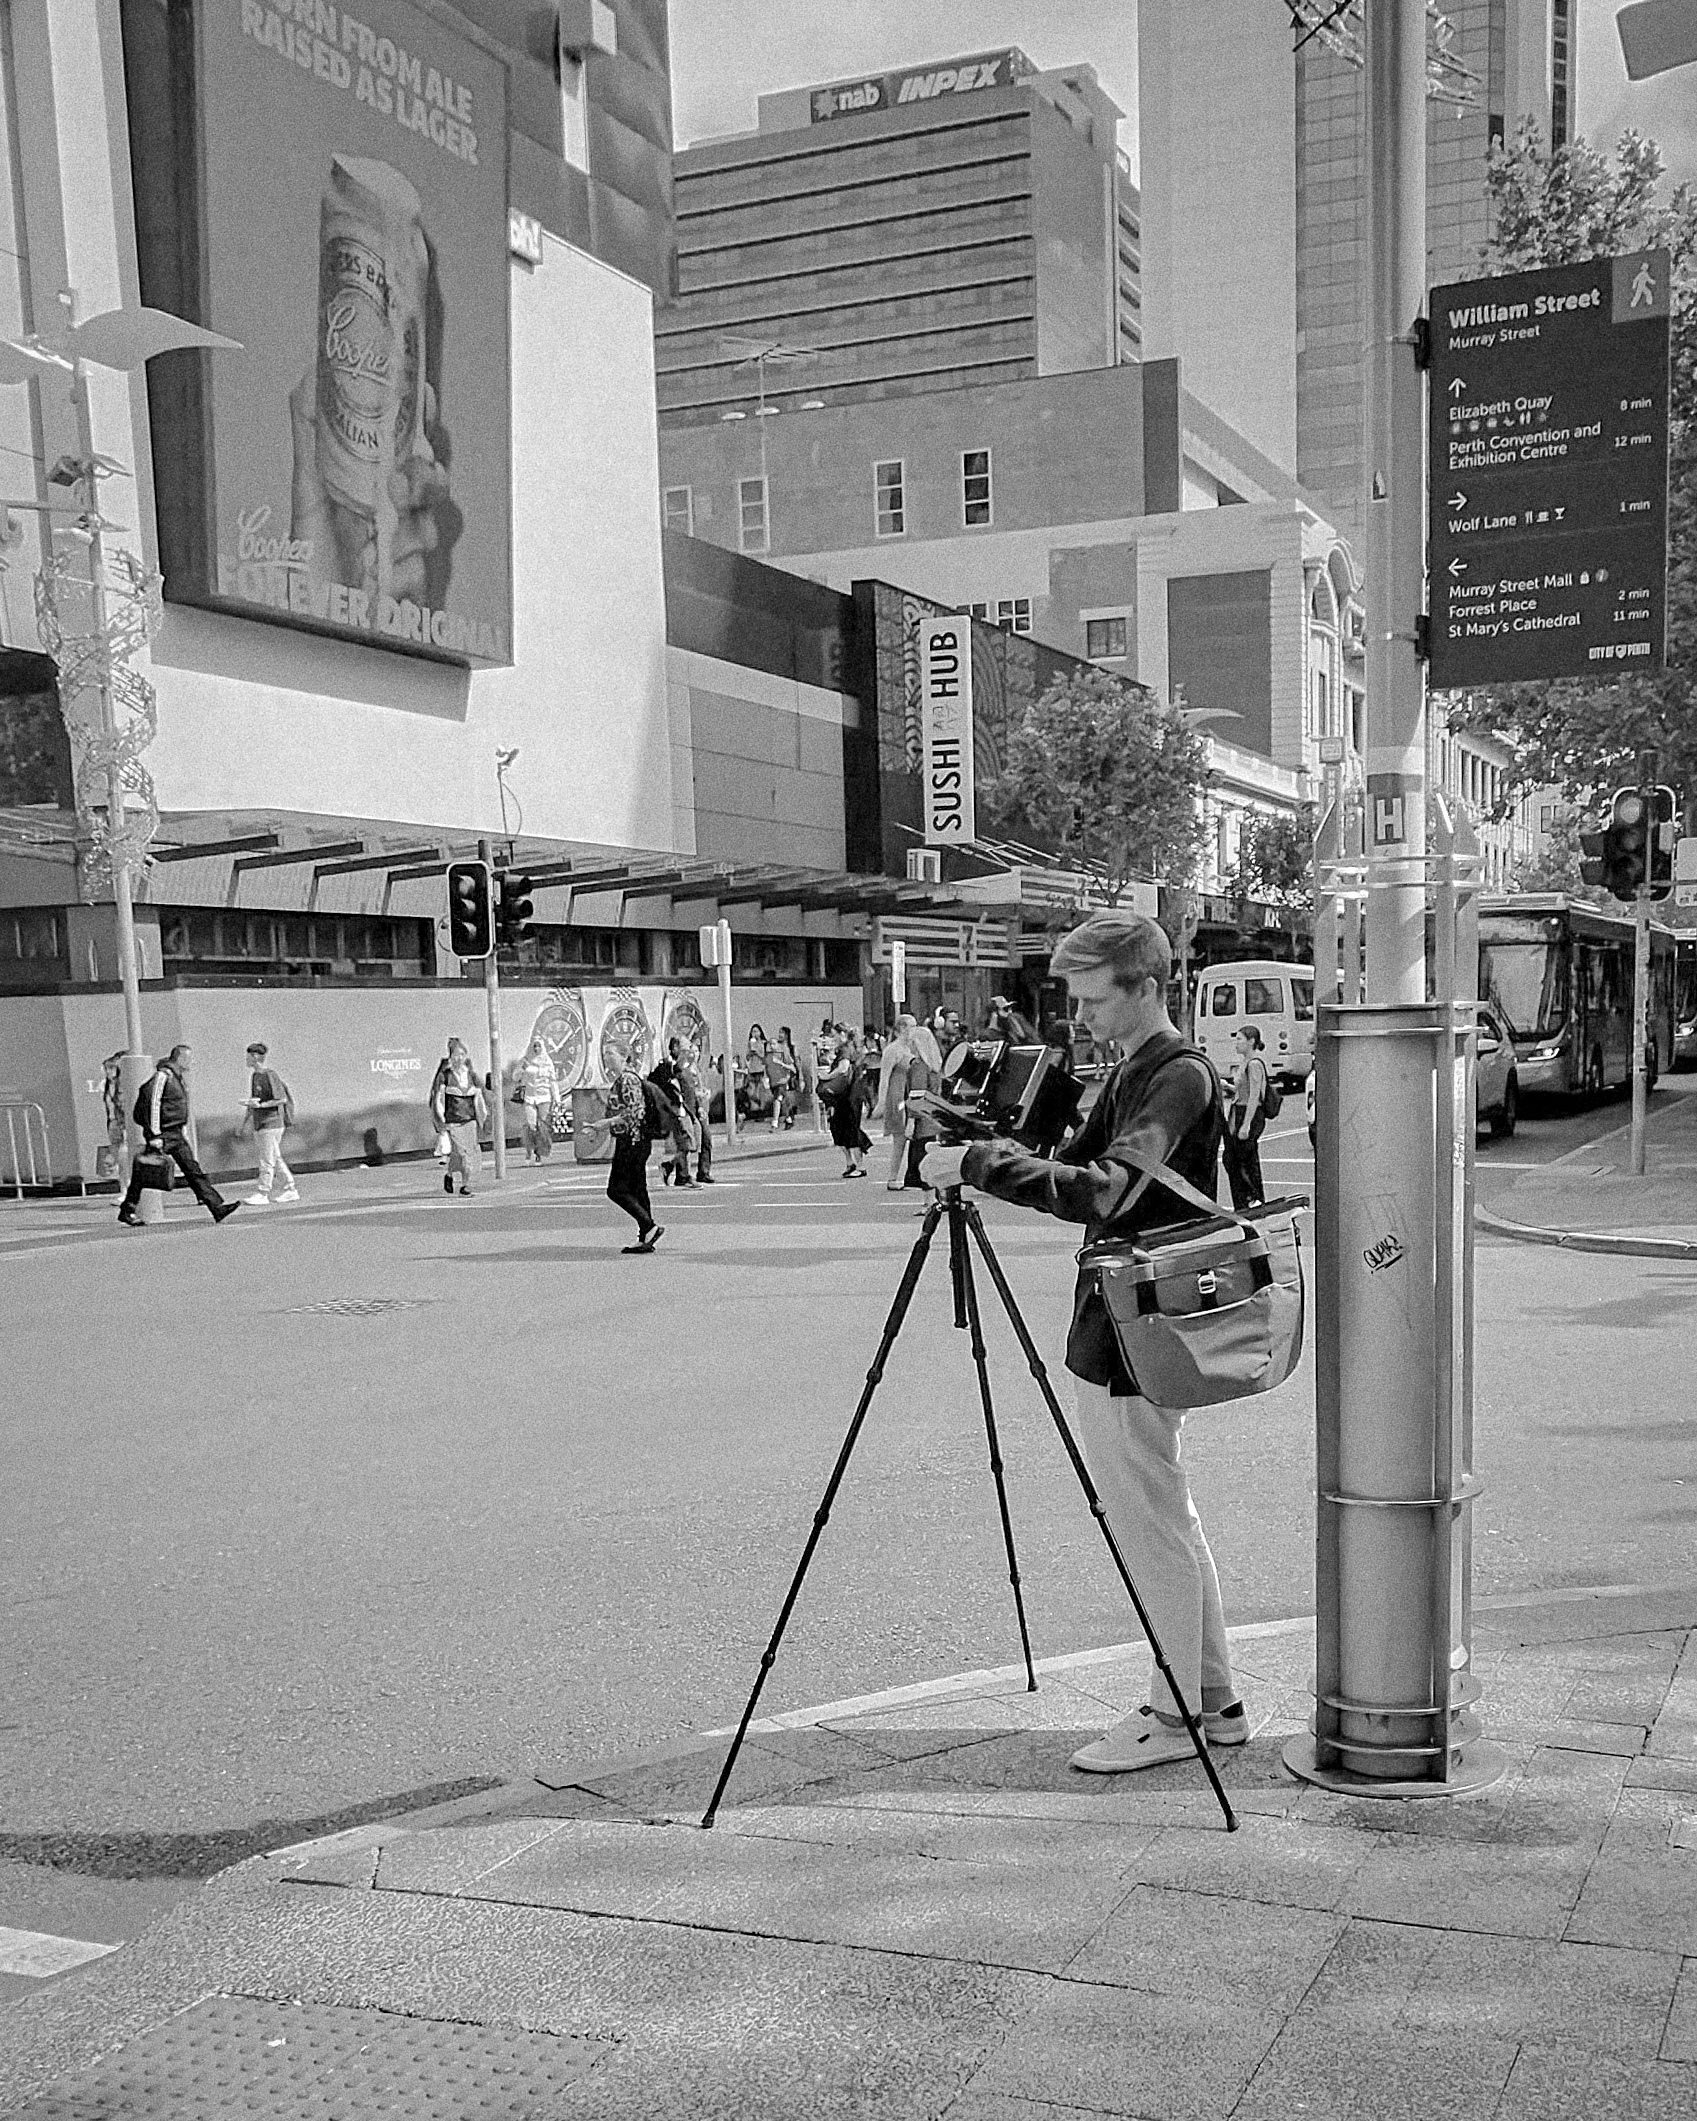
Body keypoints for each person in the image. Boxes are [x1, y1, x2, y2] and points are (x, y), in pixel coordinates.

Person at [921, 910, 1246, 1775]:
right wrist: (994, 1140)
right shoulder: (1142, 1067)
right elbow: (1083, 1165)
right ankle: (1214, 1704)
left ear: (1145, 985)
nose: (1082, 1016)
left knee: (1149, 1523)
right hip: (1130, 1320)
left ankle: (1172, 1719)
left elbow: (1103, 1188)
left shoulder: (1173, 1075)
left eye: (1096, 997)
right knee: (1164, 1515)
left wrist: (981, 1167)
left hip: (1135, 1328)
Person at [117, 1045, 240, 1227]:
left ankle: (216, 1207)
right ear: (179, 1059)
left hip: (175, 1133)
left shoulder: (178, 1078)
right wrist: (154, 1134)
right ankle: (128, 1209)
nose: (192, 1062)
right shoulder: (163, 1077)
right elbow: (153, 1105)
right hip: (163, 1134)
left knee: (192, 1170)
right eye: (189, 1058)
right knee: (143, 1173)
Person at [605, 1040, 664, 1252]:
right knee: (638, 1188)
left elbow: (633, 1112)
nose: (607, 1057)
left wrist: (604, 1123)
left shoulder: (628, 1079)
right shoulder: (625, 1079)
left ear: (623, 1056)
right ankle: (645, 1237)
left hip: (632, 1140)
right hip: (635, 1140)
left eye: (611, 1053)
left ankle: (649, 1226)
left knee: (616, 1190)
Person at [241, 1040, 301, 1206]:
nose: (246, 1059)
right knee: (275, 1157)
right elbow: (255, 1100)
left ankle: (263, 1192)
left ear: (255, 1057)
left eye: (248, 1056)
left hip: (272, 1123)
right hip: (260, 1123)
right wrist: (245, 1122)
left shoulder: (270, 1075)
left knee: (266, 1160)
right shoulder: (254, 1076)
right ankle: (290, 1189)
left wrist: (260, 1105)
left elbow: (280, 1099)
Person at [428, 1037, 487, 1197]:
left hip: (470, 1120)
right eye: (456, 1054)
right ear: (450, 1057)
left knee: (467, 1153)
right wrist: (441, 1120)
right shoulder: (445, 1076)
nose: (459, 1058)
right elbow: (439, 1099)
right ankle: (451, 1175)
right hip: (453, 1121)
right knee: (461, 1152)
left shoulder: (471, 1076)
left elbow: (479, 1099)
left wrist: (483, 1118)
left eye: (462, 1054)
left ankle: (464, 1185)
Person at [1222, 1025, 1268, 1211]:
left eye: (1239, 1039)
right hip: (1237, 1112)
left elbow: (1255, 1097)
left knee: (1244, 1158)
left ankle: (1253, 1197)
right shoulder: (1244, 1062)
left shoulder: (1254, 1064)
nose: (1236, 1043)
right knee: (1231, 1157)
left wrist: (1246, 1125)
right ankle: (1242, 1200)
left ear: (1251, 1041)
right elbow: (1243, 1092)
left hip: (1248, 1115)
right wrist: (1228, 1087)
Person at [649, 1038, 699, 1189]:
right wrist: (669, 1104)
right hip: (677, 1110)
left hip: (686, 1109)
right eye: (685, 1048)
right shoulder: (667, 1066)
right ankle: (680, 1173)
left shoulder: (683, 1066)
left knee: (688, 1143)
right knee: (687, 1142)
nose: (687, 1052)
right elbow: (658, 1083)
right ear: (675, 1048)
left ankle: (676, 1171)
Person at [819, 1031, 871, 1176]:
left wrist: (827, 1076)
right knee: (840, 1129)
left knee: (848, 1130)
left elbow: (843, 1068)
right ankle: (852, 1164)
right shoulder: (851, 1049)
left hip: (847, 1097)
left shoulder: (845, 1050)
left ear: (842, 1034)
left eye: (834, 1035)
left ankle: (859, 1166)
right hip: (850, 1095)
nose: (832, 1038)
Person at [879, 1015, 919, 1189]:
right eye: (912, 1026)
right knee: (900, 1138)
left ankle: (908, 1175)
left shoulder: (912, 1047)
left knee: (913, 1136)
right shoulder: (892, 1050)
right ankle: (893, 1177)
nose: (914, 1030)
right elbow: (884, 1077)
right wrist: (881, 1102)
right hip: (897, 1096)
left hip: (909, 1094)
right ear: (902, 1028)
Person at [517, 1037, 557, 1164]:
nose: (536, 1049)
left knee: (542, 1126)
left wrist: (557, 1098)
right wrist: (521, 1069)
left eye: (539, 1046)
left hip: (544, 1097)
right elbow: (515, 1076)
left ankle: (539, 1153)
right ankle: (529, 1151)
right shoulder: (526, 1060)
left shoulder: (548, 1062)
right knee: (530, 1126)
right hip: (530, 1097)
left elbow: (553, 1081)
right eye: (534, 1046)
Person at [766, 1028, 799, 1130]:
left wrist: (782, 1064)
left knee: (778, 1099)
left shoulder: (784, 1055)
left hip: (783, 1081)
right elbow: (766, 1068)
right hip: (773, 1082)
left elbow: (793, 1068)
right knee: (783, 1101)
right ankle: (789, 1117)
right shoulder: (768, 1056)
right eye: (770, 1044)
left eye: (774, 1044)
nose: (772, 1046)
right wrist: (765, 1078)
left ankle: (774, 1122)